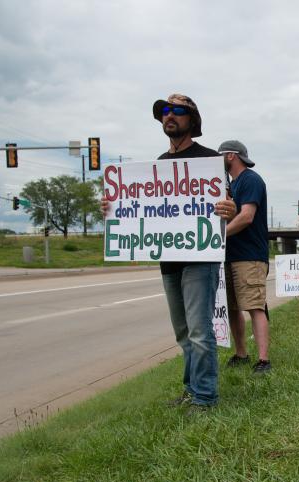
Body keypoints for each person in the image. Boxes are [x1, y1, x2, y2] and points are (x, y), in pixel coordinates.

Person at [99, 93, 234, 413]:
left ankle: (205, 398)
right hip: (169, 259)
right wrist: (111, 207)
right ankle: (191, 390)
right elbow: (142, 209)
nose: (169, 116)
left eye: (177, 111)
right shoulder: (157, 165)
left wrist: (229, 207)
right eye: (164, 112)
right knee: (183, 333)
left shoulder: (208, 160)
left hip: (200, 258)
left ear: (192, 120)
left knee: (201, 332)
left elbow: (228, 205)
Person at [217, 140, 271, 374]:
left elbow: (247, 216)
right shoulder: (230, 185)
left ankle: (263, 360)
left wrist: (218, 237)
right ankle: (241, 354)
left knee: (254, 307)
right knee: (233, 307)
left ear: (231, 156)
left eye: (219, 155)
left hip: (250, 257)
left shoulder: (251, 180)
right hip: (230, 256)